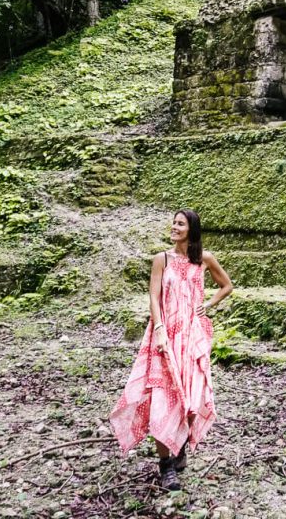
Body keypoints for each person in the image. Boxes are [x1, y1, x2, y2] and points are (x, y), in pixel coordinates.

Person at [110, 209, 233, 491]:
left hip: (192, 336)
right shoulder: (161, 259)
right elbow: (153, 297)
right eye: (174, 223)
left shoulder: (204, 259)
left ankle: (180, 448)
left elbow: (226, 286)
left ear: (192, 229)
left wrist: (208, 305)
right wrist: (159, 329)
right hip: (164, 336)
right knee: (163, 399)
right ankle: (167, 467)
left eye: (180, 223)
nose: (174, 227)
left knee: (191, 399)